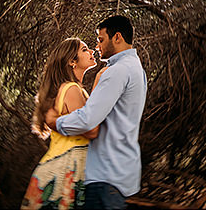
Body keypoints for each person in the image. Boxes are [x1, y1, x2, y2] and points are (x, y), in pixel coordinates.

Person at [47, 15, 147, 209]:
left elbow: (88, 121)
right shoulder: (135, 68)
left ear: (117, 37)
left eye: (101, 39)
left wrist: (55, 122)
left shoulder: (117, 71)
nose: (97, 45)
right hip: (119, 173)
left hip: (105, 175)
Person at [21, 37, 100, 209]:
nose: (91, 51)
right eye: (85, 49)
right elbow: (91, 129)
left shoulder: (68, 89)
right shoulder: (72, 89)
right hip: (66, 167)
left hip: (53, 166)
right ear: (72, 61)